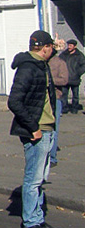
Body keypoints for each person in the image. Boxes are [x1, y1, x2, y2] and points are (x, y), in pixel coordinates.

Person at [8, 30, 62, 228]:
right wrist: (33, 128)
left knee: (41, 179)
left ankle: (38, 218)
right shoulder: (28, 68)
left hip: (47, 129)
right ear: (44, 48)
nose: (52, 51)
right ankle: (31, 222)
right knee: (33, 179)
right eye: (51, 48)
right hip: (37, 131)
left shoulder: (40, 64)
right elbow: (14, 101)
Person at [47, 39, 69, 170]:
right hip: (44, 98)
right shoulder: (43, 62)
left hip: (55, 98)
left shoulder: (60, 63)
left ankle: (53, 156)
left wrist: (49, 80)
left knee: (54, 128)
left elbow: (64, 80)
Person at [59, 39, 85, 113]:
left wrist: (78, 73)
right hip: (65, 78)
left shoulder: (79, 55)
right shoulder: (64, 54)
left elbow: (83, 65)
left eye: (71, 45)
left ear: (75, 46)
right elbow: (59, 63)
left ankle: (74, 108)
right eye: (68, 45)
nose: (69, 47)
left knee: (75, 95)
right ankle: (64, 108)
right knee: (64, 95)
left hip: (75, 78)